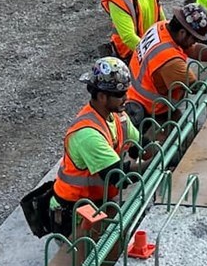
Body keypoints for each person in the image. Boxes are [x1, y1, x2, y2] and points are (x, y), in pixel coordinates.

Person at [47, 56, 140, 234]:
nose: (126, 98)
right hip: (75, 211)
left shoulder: (118, 117)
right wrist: (155, 163)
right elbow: (118, 175)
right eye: (120, 94)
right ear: (102, 96)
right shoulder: (87, 134)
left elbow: (140, 146)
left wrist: (160, 152)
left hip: (97, 201)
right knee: (87, 257)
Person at [125, 2, 207, 131]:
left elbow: (192, 49)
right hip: (149, 109)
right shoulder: (170, 60)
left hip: (135, 93)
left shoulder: (161, 27)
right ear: (183, 33)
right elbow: (196, 86)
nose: (195, 42)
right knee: (177, 139)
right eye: (195, 38)